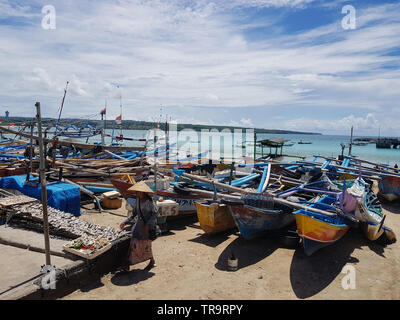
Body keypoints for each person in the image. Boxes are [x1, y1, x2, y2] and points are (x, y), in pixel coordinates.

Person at [119, 181, 158, 271]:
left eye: (138, 192)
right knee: (134, 244)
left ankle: (151, 260)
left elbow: (155, 214)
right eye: (136, 192)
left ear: (143, 192)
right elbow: (134, 214)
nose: (137, 193)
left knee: (146, 245)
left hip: (147, 228)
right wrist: (125, 222)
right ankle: (128, 264)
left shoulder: (149, 201)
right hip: (139, 227)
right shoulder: (138, 201)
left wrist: (148, 224)